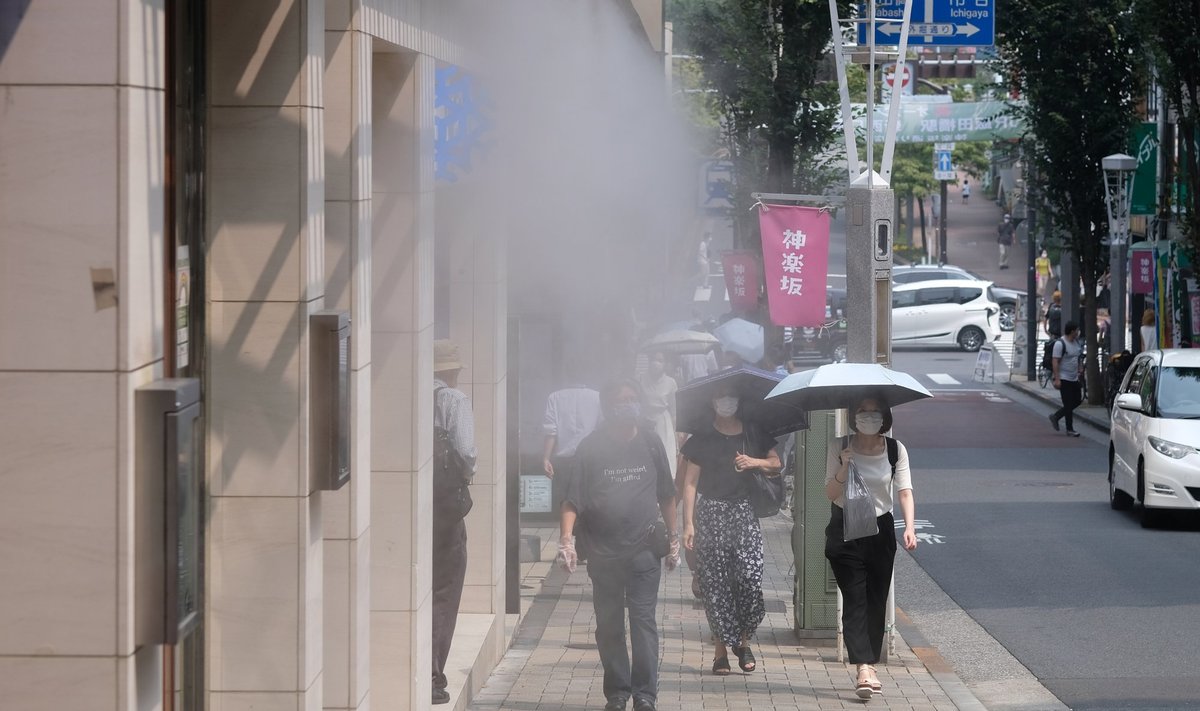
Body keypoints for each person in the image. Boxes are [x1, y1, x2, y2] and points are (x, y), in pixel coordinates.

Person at [558, 380, 679, 711]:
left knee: (643, 622)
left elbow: (667, 494)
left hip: (643, 548)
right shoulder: (591, 448)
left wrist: (674, 537)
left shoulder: (651, 442)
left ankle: (645, 695)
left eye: (632, 399)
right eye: (620, 400)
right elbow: (572, 500)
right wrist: (567, 540)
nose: (627, 405)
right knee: (609, 624)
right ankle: (617, 693)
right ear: (607, 407)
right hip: (602, 552)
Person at [680, 386, 781, 676]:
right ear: (712, 401)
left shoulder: (753, 431)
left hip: (744, 512)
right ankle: (723, 651)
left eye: (732, 396)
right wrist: (687, 524)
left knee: (749, 580)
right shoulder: (702, 436)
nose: (727, 401)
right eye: (721, 396)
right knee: (716, 586)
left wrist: (755, 462)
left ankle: (740, 638)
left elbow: (776, 463)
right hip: (711, 513)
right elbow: (690, 483)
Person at [824, 397, 917, 699]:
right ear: (852, 416)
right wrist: (844, 466)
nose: (868, 416)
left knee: (876, 598)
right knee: (854, 597)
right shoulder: (839, 446)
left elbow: (904, 490)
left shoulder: (894, 449)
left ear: (884, 416)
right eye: (862, 411)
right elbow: (830, 492)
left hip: (880, 529)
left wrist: (910, 527)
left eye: (874, 411)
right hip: (845, 529)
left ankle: (870, 664)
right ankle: (863, 667)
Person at [432, 339, 477, 704]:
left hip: (409, 505)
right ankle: (433, 675)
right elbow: (467, 450)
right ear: (452, 371)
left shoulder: (408, 393)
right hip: (445, 508)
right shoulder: (453, 400)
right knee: (445, 589)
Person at [542, 374, 603, 510]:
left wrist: (546, 458)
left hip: (565, 460)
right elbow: (601, 429)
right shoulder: (597, 397)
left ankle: (567, 531)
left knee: (566, 500)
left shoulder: (555, 397)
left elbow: (551, 431)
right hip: (590, 458)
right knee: (590, 499)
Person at [640, 352, 680, 477]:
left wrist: (676, 434)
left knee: (665, 454)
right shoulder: (641, 379)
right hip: (645, 420)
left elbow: (674, 411)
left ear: (665, 364)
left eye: (660, 360)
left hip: (663, 421)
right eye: (653, 359)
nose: (656, 363)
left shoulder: (671, 382)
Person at [1048, 321, 1084, 437]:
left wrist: (1080, 368)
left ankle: (1056, 416)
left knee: (1077, 400)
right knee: (1068, 403)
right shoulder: (1060, 344)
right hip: (1064, 377)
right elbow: (1055, 361)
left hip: (1074, 377)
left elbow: (1077, 357)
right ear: (1072, 331)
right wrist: (1057, 378)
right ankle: (1070, 428)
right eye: (1077, 330)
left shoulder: (1076, 342)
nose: (1078, 332)